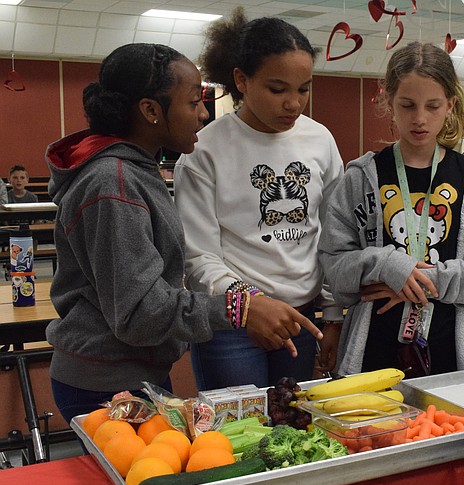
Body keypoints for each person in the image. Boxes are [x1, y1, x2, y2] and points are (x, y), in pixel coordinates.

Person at [45, 43, 314, 423]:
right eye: (193, 102)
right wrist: (240, 308)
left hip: (134, 370)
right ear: (151, 111)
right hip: (103, 381)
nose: (203, 114)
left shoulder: (133, 171)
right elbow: (140, 311)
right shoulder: (113, 183)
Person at [317, 41, 464, 377]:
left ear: (451, 104)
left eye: (433, 106)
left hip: (453, 352)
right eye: (407, 105)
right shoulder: (360, 178)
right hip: (372, 352)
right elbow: (333, 265)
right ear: (387, 101)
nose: (420, 119)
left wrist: (426, 279)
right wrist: (387, 264)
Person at [174, 8, 344, 388]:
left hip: (303, 321)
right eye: (277, 89)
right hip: (231, 326)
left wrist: (333, 316)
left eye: (304, 89)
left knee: (295, 436)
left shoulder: (320, 140)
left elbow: (334, 237)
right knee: (240, 439)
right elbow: (199, 256)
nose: (294, 104)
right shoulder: (204, 150)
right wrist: (249, 304)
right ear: (242, 80)